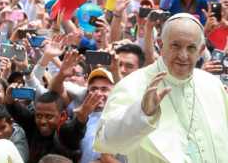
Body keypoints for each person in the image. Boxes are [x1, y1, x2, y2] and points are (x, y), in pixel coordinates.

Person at [93, 13, 228, 162]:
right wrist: (141, 113)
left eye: (191, 48)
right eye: (175, 46)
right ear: (161, 45)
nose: (183, 55)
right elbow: (107, 143)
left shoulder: (212, 84)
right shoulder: (132, 84)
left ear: (201, 50)